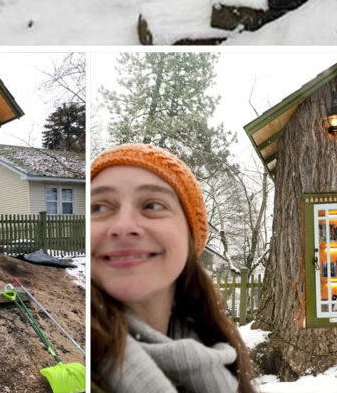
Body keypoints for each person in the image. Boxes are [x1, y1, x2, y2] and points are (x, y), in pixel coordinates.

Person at [91, 143, 255, 393]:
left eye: (153, 205)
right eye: (99, 207)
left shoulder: (218, 354)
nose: (123, 226)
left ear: (190, 238)